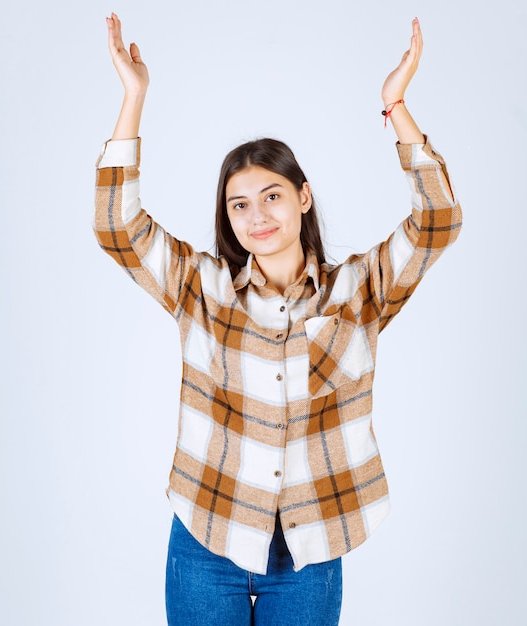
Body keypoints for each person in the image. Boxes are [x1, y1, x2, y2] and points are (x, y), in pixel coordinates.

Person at [95, 13, 462, 626]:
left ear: (303, 197)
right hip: (207, 538)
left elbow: (440, 221)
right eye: (239, 204)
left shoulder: (357, 291)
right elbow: (116, 226)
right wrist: (134, 98)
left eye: (272, 195)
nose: (256, 216)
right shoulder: (201, 288)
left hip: (311, 547)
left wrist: (395, 107)